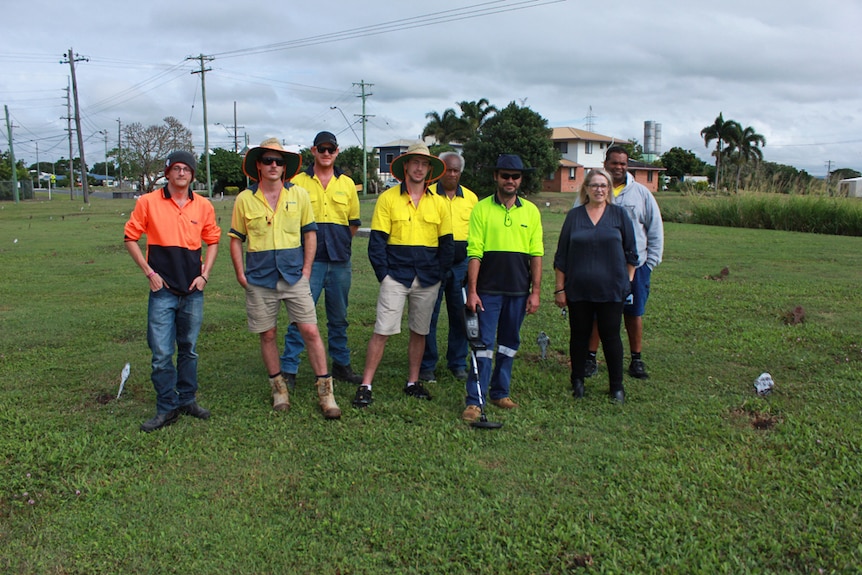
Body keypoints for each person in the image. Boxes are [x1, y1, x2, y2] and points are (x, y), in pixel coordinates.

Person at [228, 138, 340, 419]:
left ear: (285, 167)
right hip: (259, 277)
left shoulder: (299, 195)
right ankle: (279, 388)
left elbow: (310, 233)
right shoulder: (244, 199)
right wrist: (240, 272)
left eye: (279, 161)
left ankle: (326, 392)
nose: (274, 165)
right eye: (268, 160)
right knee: (268, 334)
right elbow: (236, 239)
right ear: (259, 166)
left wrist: (306, 269)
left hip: (294, 276)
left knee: (310, 331)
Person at [124, 150, 221, 432]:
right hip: (162, 289)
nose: (181, 173)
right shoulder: (148, 202)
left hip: (192, 289)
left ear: (192, 174)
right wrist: (149, 272)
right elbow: (130, 238)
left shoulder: (203, 206)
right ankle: (167, 407)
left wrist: (205, 275)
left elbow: (213, 240)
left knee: (189, 349)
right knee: (161, 353)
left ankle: (187, 399)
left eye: (186, 169)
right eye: (176, 168)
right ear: (167, 172)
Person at [352, 142, 453, 408]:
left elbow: (448, 245)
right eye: (415, 162)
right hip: (395, 276)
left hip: (428, 278)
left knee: (420, 331)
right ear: (405, 165)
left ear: (429, 169)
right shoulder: (388, 199)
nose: (419, 168)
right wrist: (384, 275)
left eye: (424, 163)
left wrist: (440, 274)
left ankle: (412, 382)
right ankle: (366, 385)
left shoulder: (440, 204)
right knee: (382, 330)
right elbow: (377, 243)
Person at [461, 154, 543, 423]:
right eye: (505, 175)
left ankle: (500, 392)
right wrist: (472, 291)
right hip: (487, 291)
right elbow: (474, 252)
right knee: (482, 346)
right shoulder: (481, 209)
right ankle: (475, 400)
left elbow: (536, 254)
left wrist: (536, 292)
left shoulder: (531, 211)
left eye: (515, 176)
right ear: (496, 177)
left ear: (521, 180)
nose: (510, 180)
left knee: (509, 344)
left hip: (519, 291)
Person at [280, 131, 363, 389]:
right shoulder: (297, 182)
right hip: (308, 262)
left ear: (337, 152)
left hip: (339, 261)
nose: (327, 153)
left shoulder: (347, 184)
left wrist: (337, 242)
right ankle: (289, 370)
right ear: (313, 151)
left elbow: (353, 223)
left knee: (339, 317)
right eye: (322, 149)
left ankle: (341, 365)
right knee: (300, 317)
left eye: (331, 149)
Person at [554, 168, 638, 403]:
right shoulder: (575, 216)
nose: (599, 190)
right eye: (594, 185)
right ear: (586, 189)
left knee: (611, 337)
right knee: (579, 336)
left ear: (609, 189)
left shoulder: (619, 215)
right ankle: (578, 381)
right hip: (578, 290)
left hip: (611, 291)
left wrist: (626, 281)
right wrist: (560, 288)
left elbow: (632, 254)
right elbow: (562, 256)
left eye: (604, 185)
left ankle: (616, 387)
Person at [580, 146, 664, 380]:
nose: (618, 167)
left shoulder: (641, 193)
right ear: (605, 163)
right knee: (597, 314)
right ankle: (590, 358)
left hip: (634, 268)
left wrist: (649, 264)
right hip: (599, 268)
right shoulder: (594, 189)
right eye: (614, 163)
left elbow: (654, 227)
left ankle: (636, 360)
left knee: (633, 313)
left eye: (623, 164)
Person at [419, 152, 478, 383]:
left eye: (456, 170)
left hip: (462, 265)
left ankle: (457, 362)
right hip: (434, 263)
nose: (451, 174)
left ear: (460, 172)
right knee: (428, 316)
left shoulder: (472, 199)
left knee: (460, 315)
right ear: (440, 169)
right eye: (448, 169)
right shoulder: (427, 194)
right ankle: (426, 365)